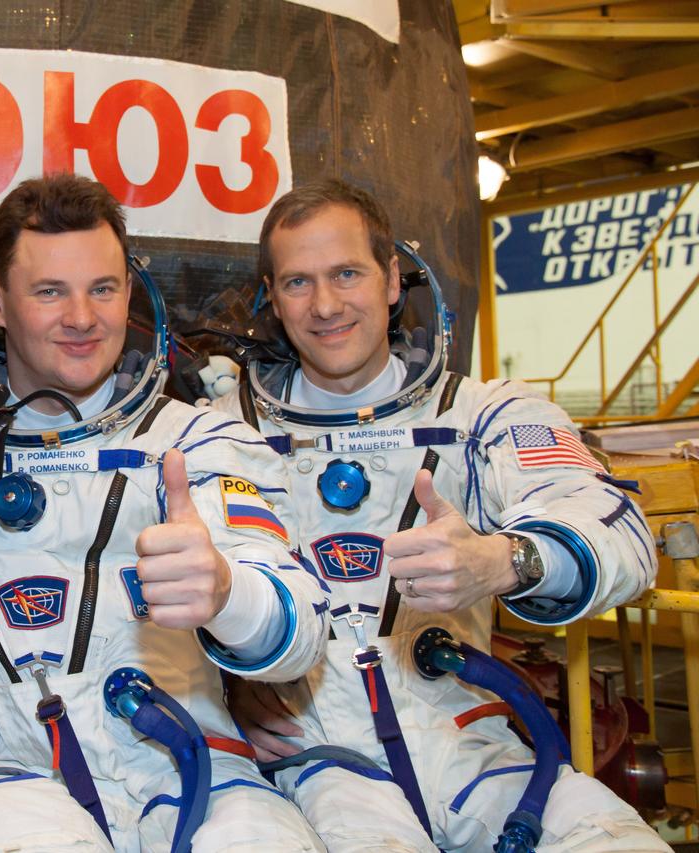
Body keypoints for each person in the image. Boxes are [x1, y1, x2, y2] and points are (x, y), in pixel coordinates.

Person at [209, 178, 666, 851]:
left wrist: (506, 560)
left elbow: (620, 531)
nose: (326, 305)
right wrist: (228, 686)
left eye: (346, 273)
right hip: (313, 755)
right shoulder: (223, 435)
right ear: (272, 300)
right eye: (299, 282)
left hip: (470, 745)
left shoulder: (482, 415)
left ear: (393, 279)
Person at [0, 173, 330, 852]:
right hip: (10, 781)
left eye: (103, 288)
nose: (83, 318)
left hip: (194, 767)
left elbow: (303, 633)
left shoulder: (197, 440)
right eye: (50, 291)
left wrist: (228, 594)